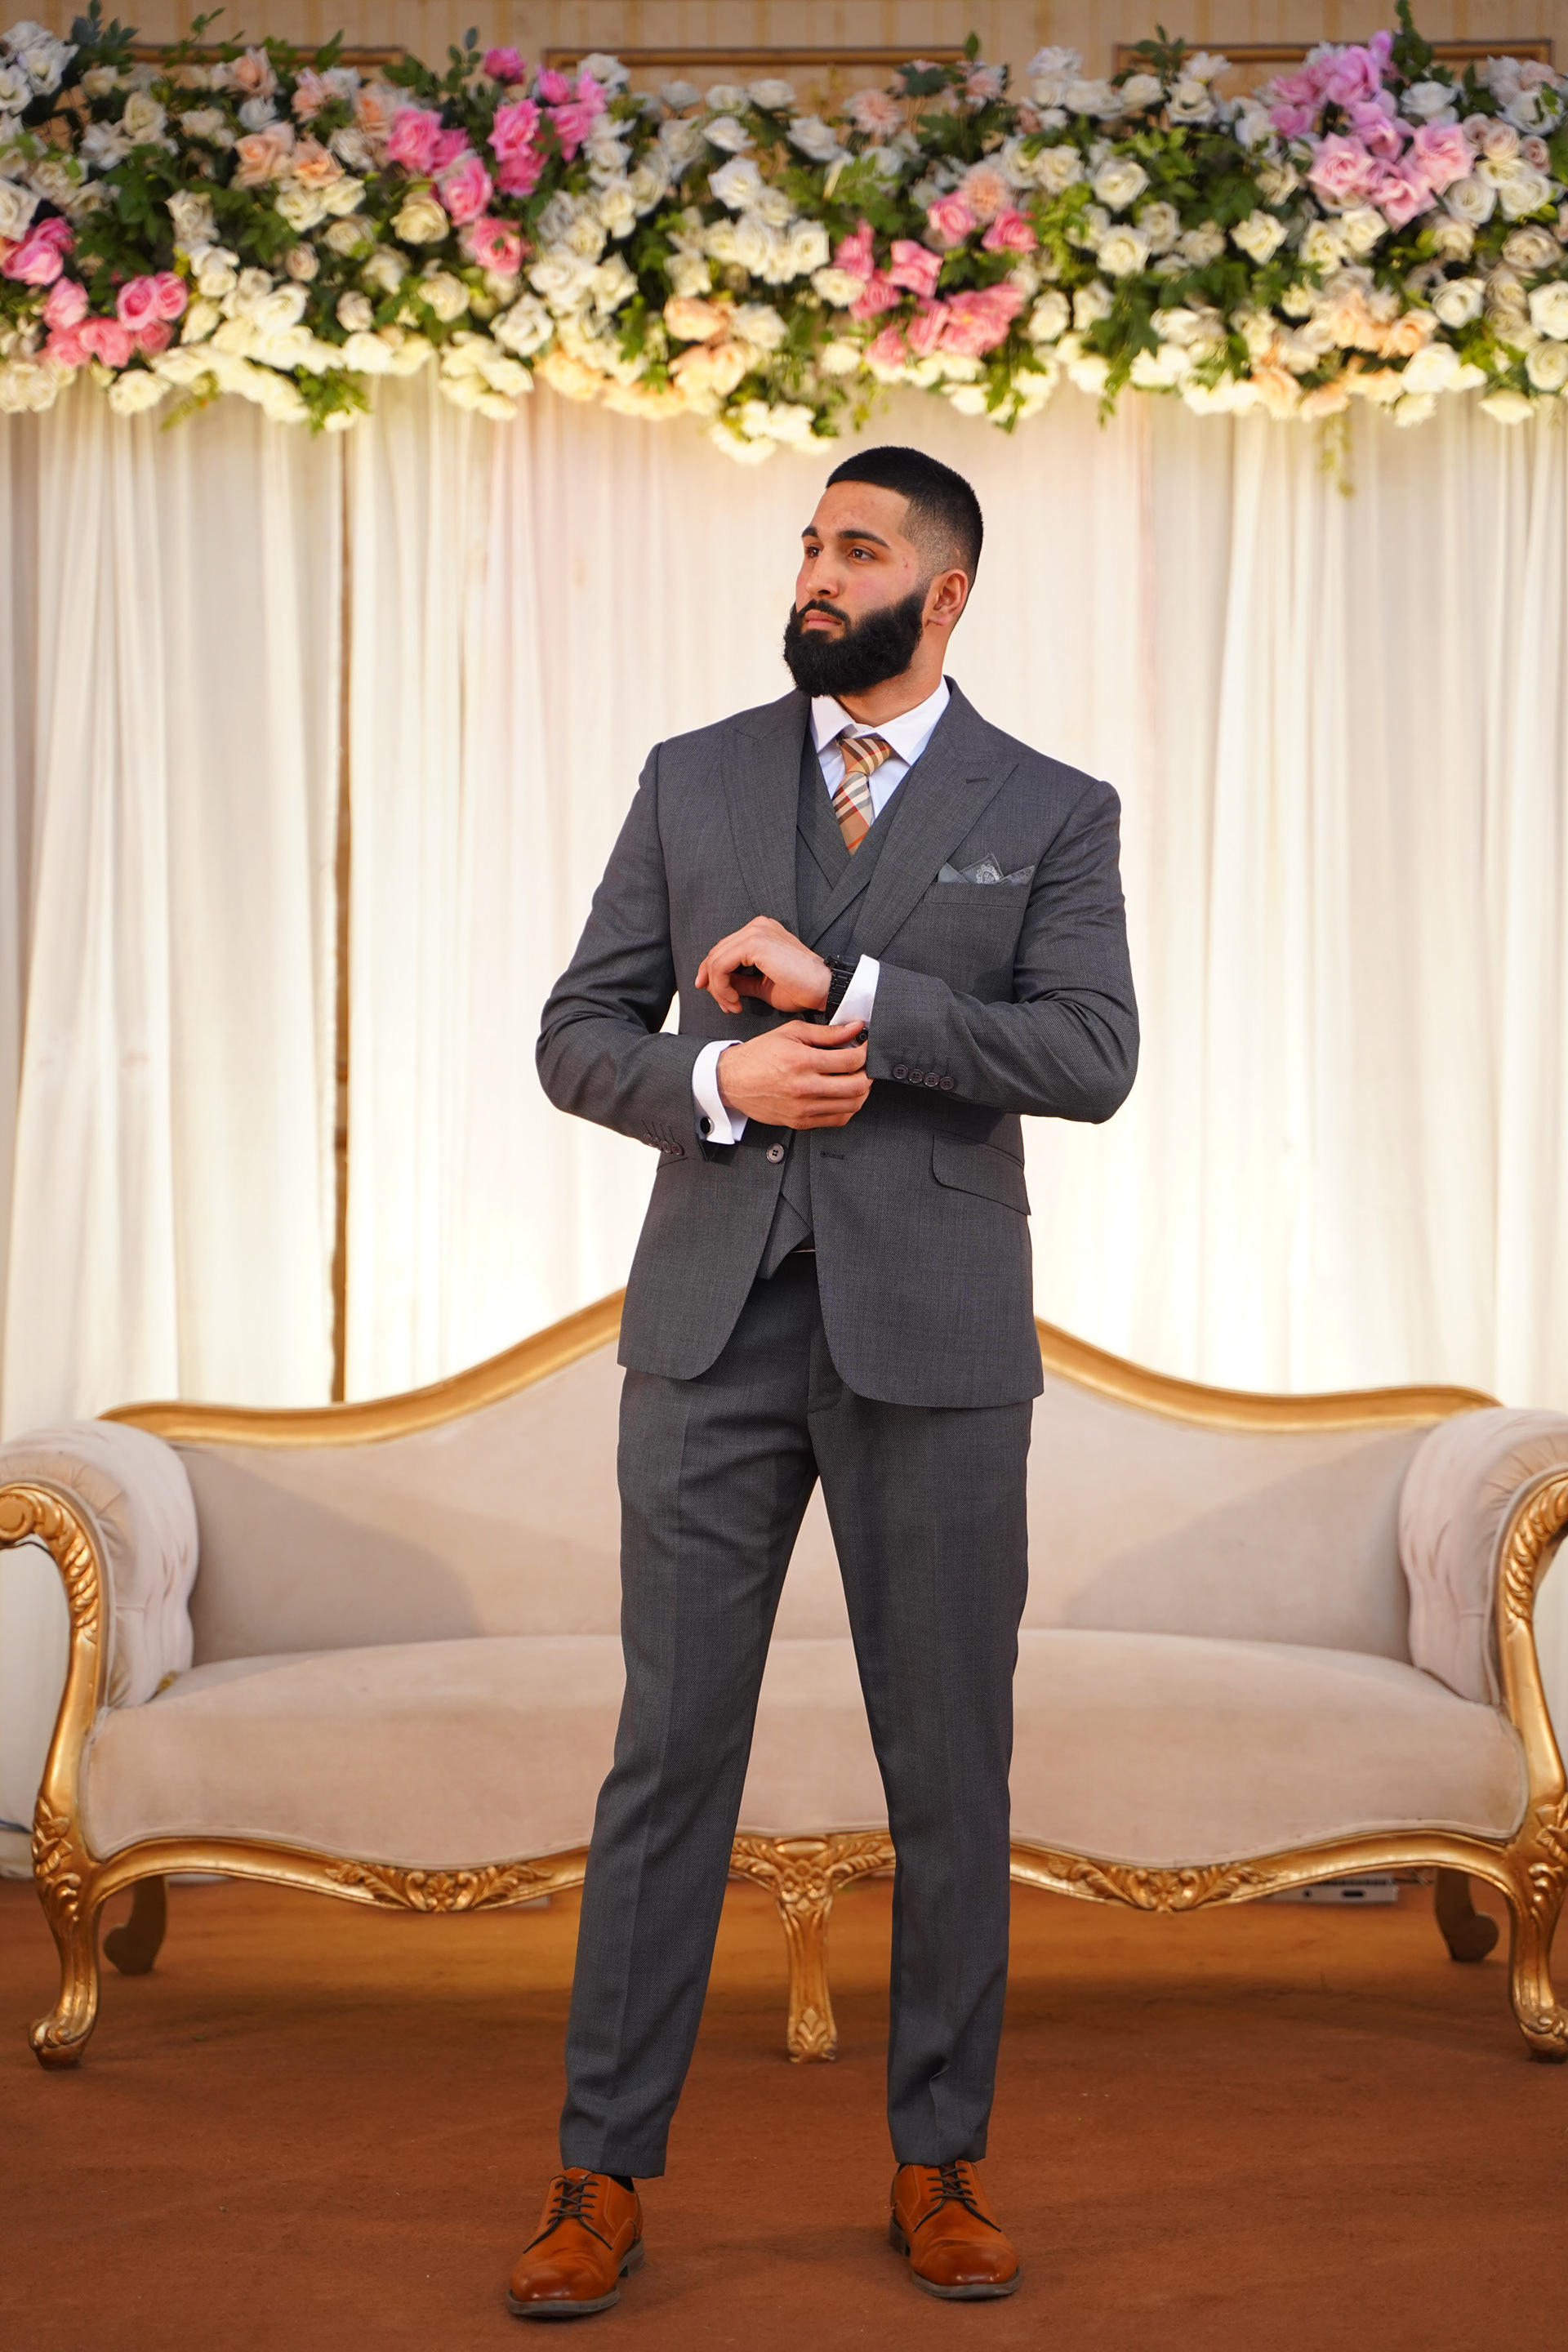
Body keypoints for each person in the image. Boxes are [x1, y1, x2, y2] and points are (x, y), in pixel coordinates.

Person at [518, 444, 1138, 2319]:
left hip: (937, 1342)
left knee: (950, 1764)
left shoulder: (1052, 807)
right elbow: (576, 1032)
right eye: (807, 540)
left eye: (854, 548)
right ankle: (597, 2174)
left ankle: (939, 2163)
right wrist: (718, 1084)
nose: (815, 569)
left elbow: (1094, 1053)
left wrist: (854, 996)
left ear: (941, 595)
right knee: (665, 1760)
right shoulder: (691, 775)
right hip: (709, 1328)